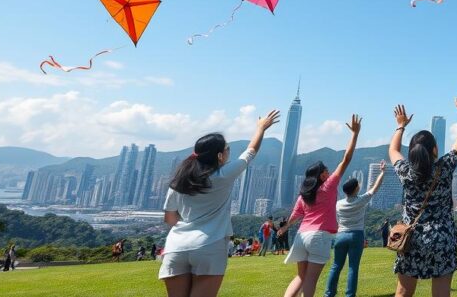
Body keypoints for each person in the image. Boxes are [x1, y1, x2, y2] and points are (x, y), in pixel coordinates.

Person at [159, 109, 280, 297]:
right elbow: (250, 153)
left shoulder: (179, 181)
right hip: (209, 244)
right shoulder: (222, 175)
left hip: (176, 246)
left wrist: (188, 227)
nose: (228, 152)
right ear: (219, 156)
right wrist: (261, 128)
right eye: (227, 149)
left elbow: (170, 218)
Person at [388, 89, 457, 297]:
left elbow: (392, 150)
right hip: (442, 237)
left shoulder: (406, 172)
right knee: (441, 293)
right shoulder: (444, 168)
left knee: (403, 292)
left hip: (411, 239)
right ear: (435, 150)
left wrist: (400, 126)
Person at [277, 115, 361, 297]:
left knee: (300, 276)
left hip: (301, 236)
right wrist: (354, 134)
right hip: (319, 236)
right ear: (322, 175)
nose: (328, 172)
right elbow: (346, 159)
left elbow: (294, 215)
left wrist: (284, 228)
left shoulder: (304, 194)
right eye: (325, 171)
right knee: (310, 280)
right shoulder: (328, 186)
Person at [325, 160, 387, 297]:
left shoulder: (338, 204)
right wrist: (382, 172)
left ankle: (329, 294)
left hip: (340, 236)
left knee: (336, 266)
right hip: (356, 235)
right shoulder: (361, 200)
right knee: (353, 267)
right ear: (355, 189)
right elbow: (375, 188)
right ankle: (350, 295)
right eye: (357, 185)